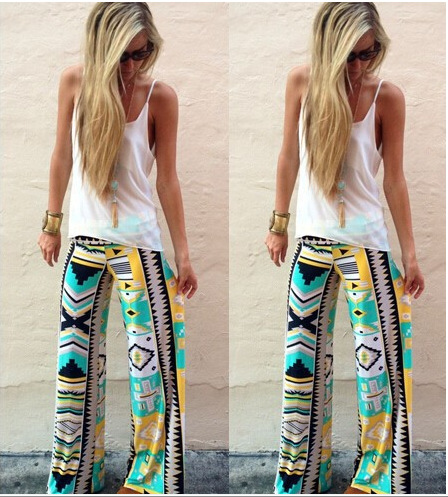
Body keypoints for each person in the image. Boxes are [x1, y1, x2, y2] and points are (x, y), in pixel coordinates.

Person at [38, 3, 197, 494]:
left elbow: (167, 180)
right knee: (74, 368)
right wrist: (51, 224)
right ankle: (73, 475)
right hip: (84, 244)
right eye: (123, 54)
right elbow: (62, 156)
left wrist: (183, 254)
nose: (132, 65)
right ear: (102, 47)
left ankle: (147, 478)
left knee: (151, 370)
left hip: (140, 249)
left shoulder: (160, 97)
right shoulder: (76, 82)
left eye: (142, 53)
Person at [265, 2, 424, 495]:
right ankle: (299, 475)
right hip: (311, 245)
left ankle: (375, 479)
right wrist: (278, 224)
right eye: (350, 54)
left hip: (367, 249)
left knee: (378, 371)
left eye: (368, 53)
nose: (359, 65)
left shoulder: (387, 96)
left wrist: (410, 254)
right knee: (301, 367)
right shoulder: (302, 82)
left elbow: (394, 180)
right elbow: (288, 156)